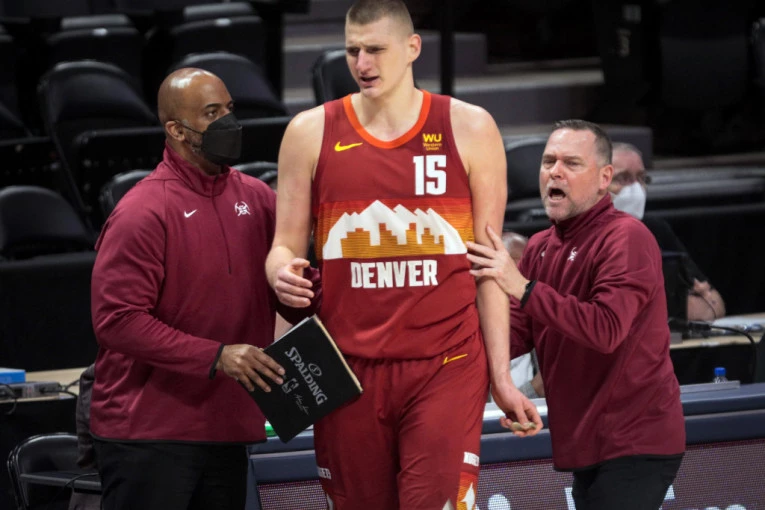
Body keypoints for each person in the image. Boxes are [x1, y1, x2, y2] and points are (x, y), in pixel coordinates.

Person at [265, 1, 542, 507]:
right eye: (352, 51)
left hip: (447, 363)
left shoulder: (470, 127)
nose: (362, 63)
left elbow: (490, 267)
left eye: (375, 49)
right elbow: (283, 244)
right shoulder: (308, 132)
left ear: (413, 47)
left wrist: (501, 378)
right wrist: (280, 269)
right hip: (347, 367)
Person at [89, 68, 319, 510]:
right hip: (148, 433)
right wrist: (217, 356)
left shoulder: (259, 199)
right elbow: (117, 321)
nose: (228, 122)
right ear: (176, 130)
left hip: (226, 428)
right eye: (211, 113)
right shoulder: (142, 211)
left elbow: (290, 291)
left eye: (229, 108)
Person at [467, 120, 685, 510]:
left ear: (604, 178)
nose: (555, 171)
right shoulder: (539, 247)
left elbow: (606, 329)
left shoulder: (627, 237)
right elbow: (513, 335)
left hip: (635, 440)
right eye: (548, 161)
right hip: (586, 441)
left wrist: (522, 287)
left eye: (571, 163)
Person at [610, 142, 726, 321]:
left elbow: (714, 305)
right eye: (623, 178)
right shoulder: (579, 237)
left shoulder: (655, 229)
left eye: (642, 178)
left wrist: (697, 303)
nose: (636, 189)